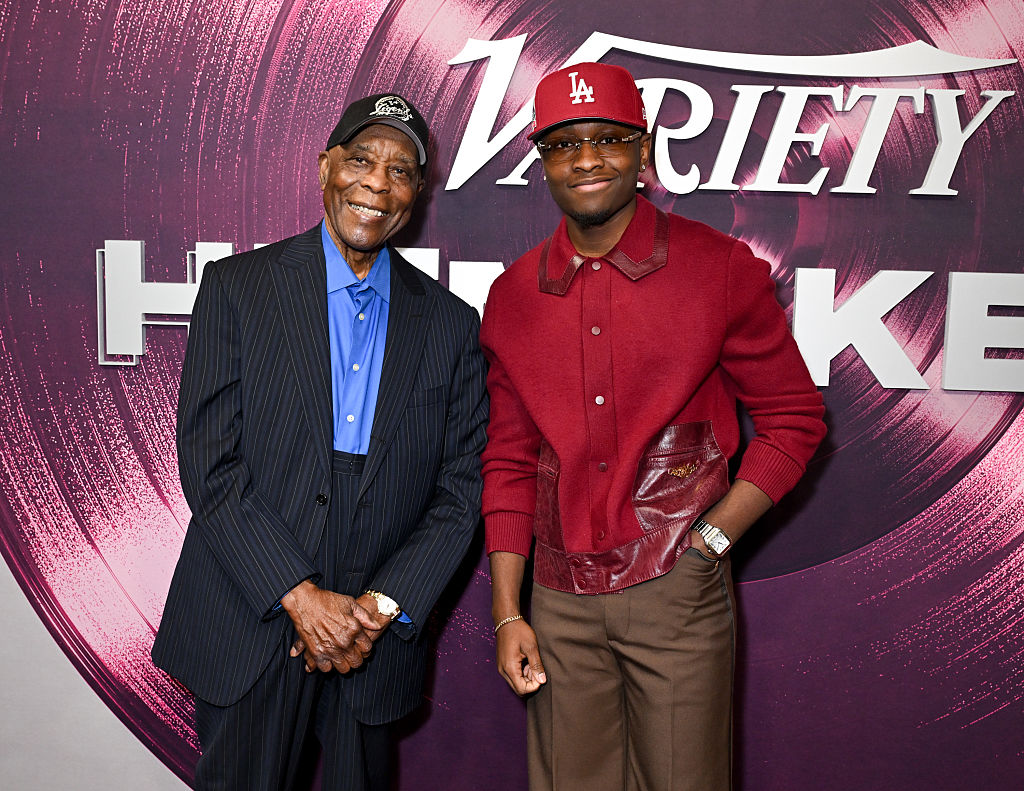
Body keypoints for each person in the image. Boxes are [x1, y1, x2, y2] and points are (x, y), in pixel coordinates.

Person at [480, 63, 827, 791]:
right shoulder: (511, 296)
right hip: (558, 600)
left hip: (676, 584)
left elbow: (795, 419)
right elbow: (509, 461)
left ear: (644, 151)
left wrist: (713, 540)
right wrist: (510, 611)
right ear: (543, 162)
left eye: (607, 140)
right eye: (564, 144)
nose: (586, 160)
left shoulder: (720, 267)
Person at [152, 93, 488, 791]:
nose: (375, 182)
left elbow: (460, 491)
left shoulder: (452, 324)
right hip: (251, 606)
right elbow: (211, 461)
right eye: (360, 159)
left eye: (399, 171)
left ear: (417, 193)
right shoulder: (239, 287)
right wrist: (299, 596)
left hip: (373, 635)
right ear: (324, 167)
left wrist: (380, 607)